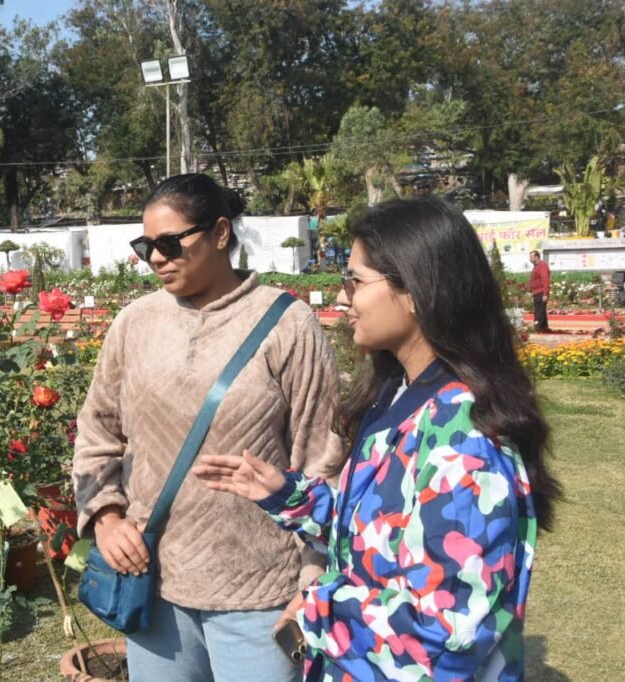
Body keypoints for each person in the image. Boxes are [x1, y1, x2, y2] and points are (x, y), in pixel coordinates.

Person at [195, 197, 561, 681]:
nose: (342, 298)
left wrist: (316, 608)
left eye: (355, 281)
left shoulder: (464, 441)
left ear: (416, 291)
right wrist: (286, 495)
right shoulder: (398, 395)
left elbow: (447, 629)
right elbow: (382, 535)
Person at [72, 173, 345, 682]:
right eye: (145, 246)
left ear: (220, 233)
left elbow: (321, 459)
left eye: (170, 243)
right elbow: (97, 432)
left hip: (259, 593)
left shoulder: (287, 325)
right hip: (153, 585)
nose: (155, 258)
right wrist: (106, 517)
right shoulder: (135, 323)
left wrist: (311, 580)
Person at [529, 249, 552, 333]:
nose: (530, 259)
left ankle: (538, 327)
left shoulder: (542, 265)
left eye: (532, 257)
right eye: (530, 257)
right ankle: (544, 327)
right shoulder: (536, 266)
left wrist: (545, 293)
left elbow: (545, 280)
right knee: (540, 309)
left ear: (537, 257)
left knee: (539, 311)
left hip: (541, 291)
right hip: (536, 292)